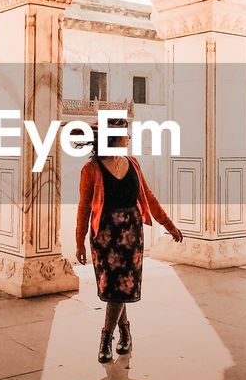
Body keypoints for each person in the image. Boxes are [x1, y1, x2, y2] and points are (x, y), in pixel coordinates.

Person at [75, 120, 183, 363]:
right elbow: (83, 208)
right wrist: (79, 241)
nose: (130, 137)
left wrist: (169, 225)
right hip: (105, 237)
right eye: (126, 134)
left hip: (131, 236)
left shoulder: (132, 163)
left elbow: (148, 197)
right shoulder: (91, 169)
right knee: (115, 288)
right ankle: (122, 332)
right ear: (114, 138)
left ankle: (107, 338)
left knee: (122, 287)